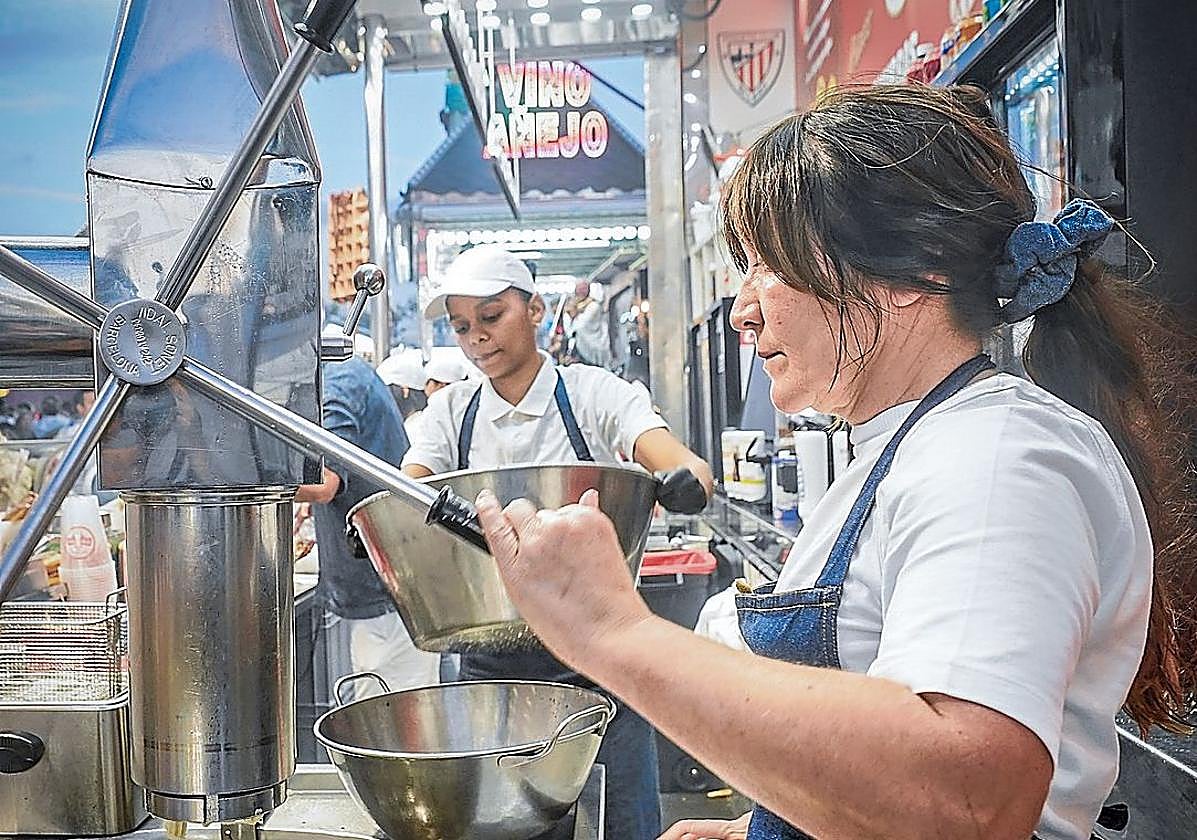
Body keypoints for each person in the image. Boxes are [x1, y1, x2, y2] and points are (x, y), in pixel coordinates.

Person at [470, 85, 1197, 840]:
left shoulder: (995, 460)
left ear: (912, 276)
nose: (743, 309)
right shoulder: (908, 444)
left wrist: (612, 631)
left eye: (768, 266)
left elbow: (969, 797)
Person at [402, 244, 714, 840]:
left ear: (536, 309)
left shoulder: (594, 395)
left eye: (492, 317)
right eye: (463, 326)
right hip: (488, 668)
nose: (477, 339)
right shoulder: (449, 414)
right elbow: (411, 485)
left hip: (600, 660)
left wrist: (683, 479)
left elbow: (671, 455)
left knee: (620, 824)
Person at [296, 355, 438, 699]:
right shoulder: (347, 374)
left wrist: (244, 481)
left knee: (392, 713)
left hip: (384, 589)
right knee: (397, 707)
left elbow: (326, 483)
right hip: (392, 581)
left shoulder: (336, 386)